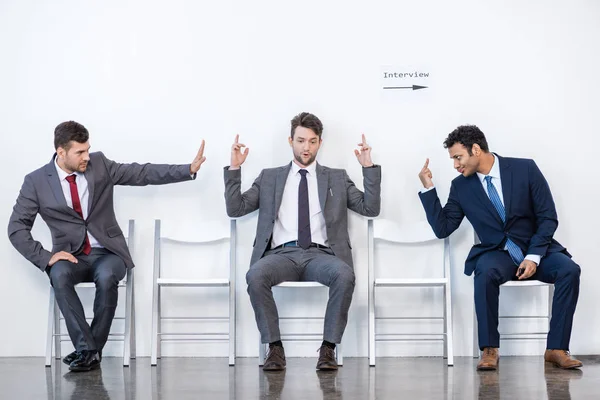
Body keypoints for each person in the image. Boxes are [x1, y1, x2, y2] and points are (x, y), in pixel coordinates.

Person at [8, 121, 206, 371]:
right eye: (80, 152)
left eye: (88, 149)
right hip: (71, 256)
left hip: (108, 253)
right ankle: (89, 350)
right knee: (57, 274)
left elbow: (141, 173)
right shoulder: (36, 182)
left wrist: (187, 169)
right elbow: (16, 227)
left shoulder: (99, 165)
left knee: (106, 276)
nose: (86, 156)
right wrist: (46, 257)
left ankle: (87, 350)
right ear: (61, 152)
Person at [224, 112, 381, 371]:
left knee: (344, 275)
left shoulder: (336, 177)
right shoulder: (270, 177)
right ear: (290, 141)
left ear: (319, 143)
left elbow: (370, 208)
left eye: (311, 141)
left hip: (322, 256)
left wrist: (368, 168)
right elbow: (236, 209)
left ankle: (328, 350)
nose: (305, 147)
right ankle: (274, 348)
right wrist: (234, 168)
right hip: (280, 255)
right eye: (300, 141)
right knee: (255, 275)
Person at [418, 125, 581, 370]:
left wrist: (534, 256)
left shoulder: (525, 169)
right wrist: (428, 188)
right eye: (453, 159)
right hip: (497, 254)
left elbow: (548, 217)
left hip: (536, 249)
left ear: (476, 149)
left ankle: (556, 348)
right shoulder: (461, 186)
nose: (455, 165)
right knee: (483, 272)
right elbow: (443, 228)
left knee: (570, 270)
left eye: (458, 157)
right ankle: (489, 349)